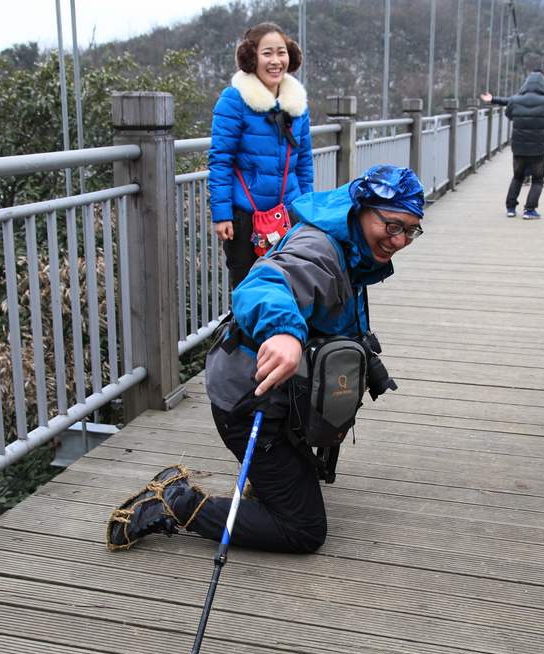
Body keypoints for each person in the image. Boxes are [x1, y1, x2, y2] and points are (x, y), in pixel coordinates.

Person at [106, 165, 425, 555]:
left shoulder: (352, 249)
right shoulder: (320, 250)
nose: (400, 240)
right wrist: (284, 332)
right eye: (393, 226)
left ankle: (267, 475)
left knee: (299, 481)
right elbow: (262, 285)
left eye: (411, 230)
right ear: (360, 209)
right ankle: (174, 501)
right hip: (249, 400)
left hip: (281, 393)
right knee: (303, 529)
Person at [208, 22, 314, 289]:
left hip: (288, 214)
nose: (276, 60)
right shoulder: (234, 100)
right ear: (251, 57)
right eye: (267, 53)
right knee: (246, 291)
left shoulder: (297, 105)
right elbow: (221, 160)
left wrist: (306, 208)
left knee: (288, 289)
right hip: (245, 218)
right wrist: (222, 215)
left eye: (282, 52)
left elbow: (304, 163)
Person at [476, 71, 544, 220]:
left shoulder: (515, 100)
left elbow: (509, 114)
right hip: (538, 149)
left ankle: (511, 208)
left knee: (517, 177)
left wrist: (496, 100)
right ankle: (529, 210)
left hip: (518, 148)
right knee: (538, 180)